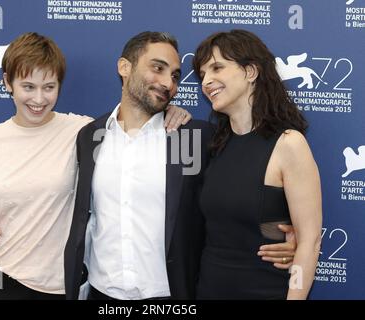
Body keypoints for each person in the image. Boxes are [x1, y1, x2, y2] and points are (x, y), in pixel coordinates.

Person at [62, 31, 297, 300]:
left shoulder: (194, 137)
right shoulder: (90, 136)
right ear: (124, 67)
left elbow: (239, 194)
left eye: (174, 75)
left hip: (170, 296)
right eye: (157, 68)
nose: (168, 83)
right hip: (100, 294)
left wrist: (284, 238)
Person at [0, 32, 190, 300]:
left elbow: (134, 122)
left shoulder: (84, 131)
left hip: (60, 287)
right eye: (28, 86)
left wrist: (172, 112)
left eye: (49, 87)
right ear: (7, 83)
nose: (38, 99)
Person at [192, 29, 322, 299]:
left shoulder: (289, 144)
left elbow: (308, 243)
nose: (207, 81)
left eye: (217, 68)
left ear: (251, 72)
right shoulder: (214, 144)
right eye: (202, 74)